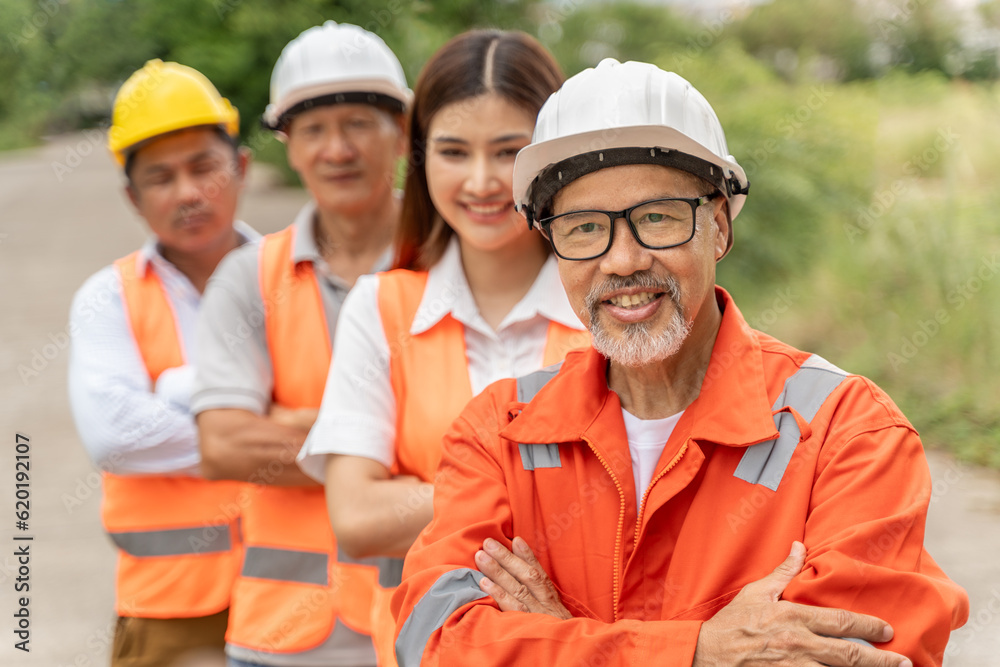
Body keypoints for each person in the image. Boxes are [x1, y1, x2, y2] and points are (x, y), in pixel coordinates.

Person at [391, 59, 969, 667]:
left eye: (656, 218)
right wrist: (696, 651)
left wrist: (557, 638)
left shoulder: (849, 435)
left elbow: (862, 653)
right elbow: (433, 642)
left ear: (717, 226)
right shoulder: (498, 434)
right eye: (584, 228)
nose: (621, 261)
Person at [296, 30, 589, 665]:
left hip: (583, 646)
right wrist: (546, 487)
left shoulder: (608, 306)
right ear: (421, 157)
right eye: (454, 152)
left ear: (553, 159)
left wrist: (423, 495)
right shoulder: (380, 309)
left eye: (508, 151)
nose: (481, 181)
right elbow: (355, 516)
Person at [191, 21, 409, 667]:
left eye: (359, 123)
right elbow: (222, 443)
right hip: (278, 640)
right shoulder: (250, 275)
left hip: (426, 624)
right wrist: (391, 446)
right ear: (288, 145)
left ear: (401, 131)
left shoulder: (453, 263)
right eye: (314, 129)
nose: (337, 148)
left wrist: (293, 426)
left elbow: (491, 447)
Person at [67, 59, 255, 667]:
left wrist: (174, 392)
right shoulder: (108, 297)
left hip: (302, 597)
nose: (187, 192)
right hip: (170, 615)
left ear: (242, 167)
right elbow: (116, 437)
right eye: (161, 177)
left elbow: (345, 414)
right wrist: (262, 418)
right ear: (132, 196)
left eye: (204, 166)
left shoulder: (297, 276)